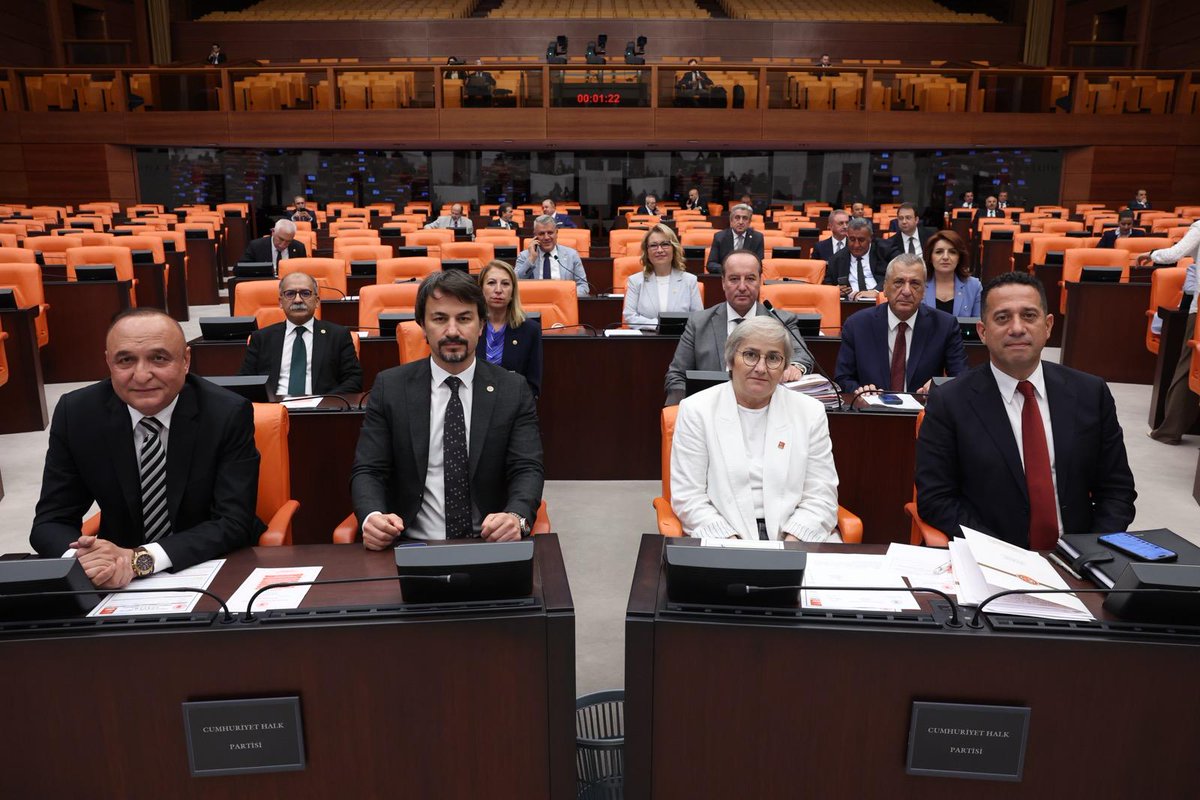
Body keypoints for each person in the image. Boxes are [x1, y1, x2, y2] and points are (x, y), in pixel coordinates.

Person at [30, 309, 263, 587]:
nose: (141, 376)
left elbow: (233, 522)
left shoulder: (226, 413)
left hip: (210, 562)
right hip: (113, 577)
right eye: (126, 360)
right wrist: (84, 562)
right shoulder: (78, 414)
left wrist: (140, 560)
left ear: (186, 360)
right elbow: (50, 522)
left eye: (159, 358)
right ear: (108, 362)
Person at [916, 271, 1137, 548]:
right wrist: (1002, 554)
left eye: (1029, 316)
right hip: (992, 559)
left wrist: (1090, 551)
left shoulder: (1091, 393)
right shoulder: (950, 401)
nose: (1017, 328)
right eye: (1002, 318)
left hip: (1078, 559)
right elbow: (936, 499)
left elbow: (1117, 491)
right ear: (983, 332)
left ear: (1048, 326)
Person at [350, 270, 544, 545]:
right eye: (439, 319)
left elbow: (527, 468)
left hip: (489, 543)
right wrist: (372, 517)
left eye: (464, 318)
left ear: (480, 325)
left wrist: (516, 516)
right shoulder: (390, 387)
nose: (452, 331)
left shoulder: (513, 390)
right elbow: (368, 469)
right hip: (410, 544)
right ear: (423, 326)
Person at [670, 316, 840, 541]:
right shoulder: (696, 410)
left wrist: (794, 542)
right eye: (750, 355)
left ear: (784, 367)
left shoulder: (810, 412)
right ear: (730, 360)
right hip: (725, 535)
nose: (761, 368)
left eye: (773, 358)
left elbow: (821, 495)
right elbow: (689, 497)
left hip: (794, 535)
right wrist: (730, 543)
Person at [665, 251, 816, 405]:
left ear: (760, 281)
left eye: (750, 279)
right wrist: (686, 409)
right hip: (710, 412)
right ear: (723, 282)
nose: (742, 287)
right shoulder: (698, 323)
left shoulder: (780, 320)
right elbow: (677, 376)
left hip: (765, 408)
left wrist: (795, 367)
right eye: (734, 279)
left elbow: (803, 356)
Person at [836, 253, 968, 403]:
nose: (906, 291)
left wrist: (939, 385)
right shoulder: (857, 325)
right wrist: (859, 391)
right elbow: (843, 378)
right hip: (873, 416)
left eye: (915, 284)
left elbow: (961, 377)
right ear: (885, 288)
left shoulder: (945, 326)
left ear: (924, 290)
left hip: (924, 417)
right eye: (899, 282)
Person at [239, 272, 362, 397]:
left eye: (305, 293)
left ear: (317, 301)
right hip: (275, 408)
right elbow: (246, 381)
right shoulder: (261, 338)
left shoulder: (338, 336)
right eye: (290, 294)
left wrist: (323, 401)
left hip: (320, 411)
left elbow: (354, 380)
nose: (298, 300)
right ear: (280, 302)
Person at [1138, 219, 1200, 444]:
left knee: (1189, 367)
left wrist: (1152, 255)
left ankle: (1170, 431)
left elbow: (1176, 254)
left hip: (1199, 310)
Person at [478, 260, 543, 397]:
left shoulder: (530, 330)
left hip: (514, 407)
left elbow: (533, 386)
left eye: (505, 284)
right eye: (491, 283)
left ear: (513, 291)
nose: (498, 290)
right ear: (481, 289)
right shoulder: (468, 327)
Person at [623, 224, 703, 330]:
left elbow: (698, 318)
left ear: (674, 249)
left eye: (665, 244)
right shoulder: (635, 281)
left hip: (681, 340)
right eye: (653, 245)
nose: (659, 250)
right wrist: (658, 325)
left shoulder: (690, 280)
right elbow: (630, 317)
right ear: (647, 252)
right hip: (646, 340)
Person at [514, 214, 589, 296]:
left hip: (563, 302)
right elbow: (515, 284)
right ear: (535, 236)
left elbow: (583, 286)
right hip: (535, 302)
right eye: (541, 234)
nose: (546, 237)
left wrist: (565, 296)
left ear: (556, 233)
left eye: (550, 233)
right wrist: (531, 259)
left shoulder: (572, 255)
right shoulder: (525, 256)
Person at [823, 217, 887, 299]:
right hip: (850, 305)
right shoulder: (836, 259)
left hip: (877, 302)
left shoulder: (882, 253)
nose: (856, 245)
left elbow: (892, 278)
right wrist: (835, 290)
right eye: (852, 239)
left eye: (861, 240)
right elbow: (827, 286)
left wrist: (876, 292)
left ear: (870, 238)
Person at [923, 230, 982, 318]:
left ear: (959, 258)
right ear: (930, 258)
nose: (945, 257)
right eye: (939, 252)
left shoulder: (973, 286)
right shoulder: (918, 284)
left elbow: (977, 325)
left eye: (952, 252)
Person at [705, 203, 763, 274]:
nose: (741, 222)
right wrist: (729, 270)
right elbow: (711, 264)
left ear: (749, 222)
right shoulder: (720, 237)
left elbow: (759, 265)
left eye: (745, 218)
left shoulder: (757, 238)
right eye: (737, 218)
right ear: (731, 220)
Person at [242, 218, 307, 273]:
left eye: (288, 241)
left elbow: (304, 272)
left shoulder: (299, 247)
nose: (283, 245)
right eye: (281, 239)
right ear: (273, 232)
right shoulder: (256, 246)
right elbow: (240, 268)